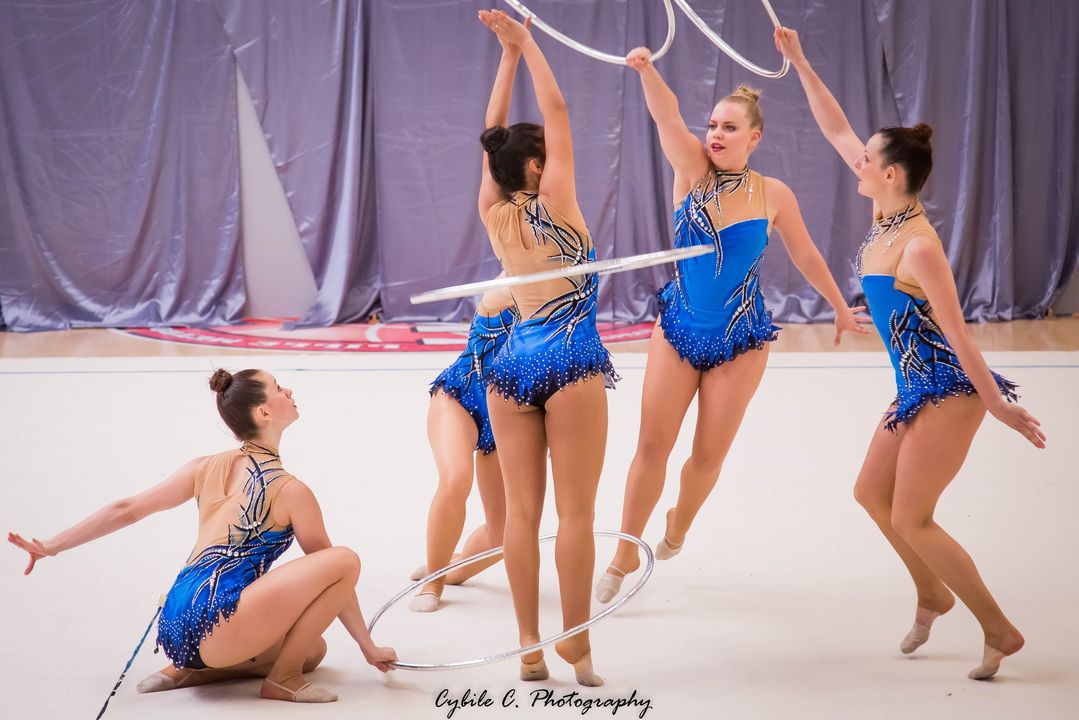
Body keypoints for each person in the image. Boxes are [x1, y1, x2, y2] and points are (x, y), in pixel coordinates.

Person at [775, 26, 1046, 680]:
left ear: (889, 174)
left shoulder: (917, 245)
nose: (857, 162)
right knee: (870, 493)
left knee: (913, 517)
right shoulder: (885, 216)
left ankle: (999, 629)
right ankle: (931, 593)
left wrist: (997, 406)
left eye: (867, 160)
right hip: (916, 388)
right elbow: (837, 130)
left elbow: (959, 335)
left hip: (950, 392)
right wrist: (800, 61)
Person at [596, 46, 870, 603]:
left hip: (741, 340)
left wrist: (840, 306)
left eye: (729, 127)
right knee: (652, 446)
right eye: (713, 125)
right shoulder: (692, 171)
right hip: (679, 329)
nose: (716, 134)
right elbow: (666, 116)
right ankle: (624, 553)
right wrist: (647, 71)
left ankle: (678, 525)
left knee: (706, 457)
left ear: (755, 137)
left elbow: (806, 254)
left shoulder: (774, 194)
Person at [8, 369, 397, 703]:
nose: (289, 391)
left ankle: (192, 670)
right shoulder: (291, 490)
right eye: (279, 388)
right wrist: (368, 647)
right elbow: (334, 575)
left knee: (313, 650)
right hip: (219, 621)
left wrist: (52, 546)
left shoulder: (204, 467)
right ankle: (284, 679)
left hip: (175, 626)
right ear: (263, 412)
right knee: (343, 560)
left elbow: (127, 508)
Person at [476, 9, 618, 686]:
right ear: (537, 165)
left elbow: (489, 138)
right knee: (576, 514)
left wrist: (505, 57)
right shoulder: (558, 203)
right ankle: (577, 643)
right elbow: (556, 109)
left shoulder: (493, 212)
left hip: (509, 369)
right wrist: (527, 41)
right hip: (569, 361)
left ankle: (529, 644)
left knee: (521, 515)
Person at [408, 289, 518, 612]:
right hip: (461, 397)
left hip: (507, 418)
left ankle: (447, 569)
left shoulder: (559, 298)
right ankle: (434, 581)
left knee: (502, 534)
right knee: (456, 479)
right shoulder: (505, 287)